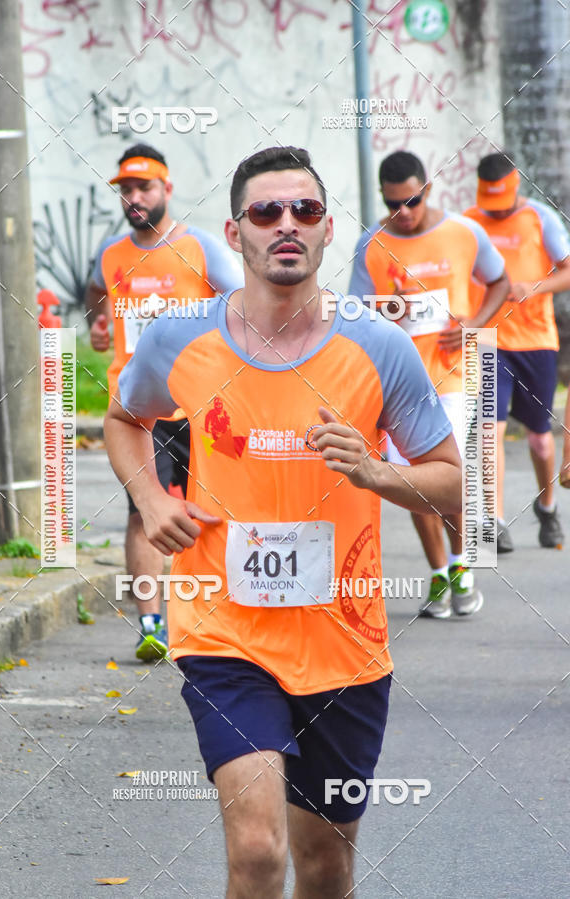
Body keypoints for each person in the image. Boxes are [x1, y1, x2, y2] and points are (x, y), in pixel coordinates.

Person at [104, 146, 462, 897]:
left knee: (325, 865)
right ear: (236, 235)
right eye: (266, 212)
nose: (286, 225)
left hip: (344, 645)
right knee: (259, 851)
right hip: (224, 633)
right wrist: (152, 498)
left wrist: (374, 471)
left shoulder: (379, 347)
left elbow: (459, 487)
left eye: (304, 210)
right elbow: (124, 419)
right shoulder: (181, 337)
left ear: (330, 229)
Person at [85, 143, 243, 661]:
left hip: (200, 406)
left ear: (167, 190)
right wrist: (99, 326)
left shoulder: (200, 249)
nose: (134, 197)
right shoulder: (111, 255)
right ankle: (151, 625)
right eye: (126, 189)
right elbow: (95, 292)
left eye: (144, 187)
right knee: (143, 513)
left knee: (212, 511)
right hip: (136, 411)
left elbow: (245, 303)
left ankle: (217, 613)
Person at [349, 150, 509, 619]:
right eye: (395, 203)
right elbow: (357, 316)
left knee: (453, 479)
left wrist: (475, 324)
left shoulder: (464, 232)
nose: (405, 212)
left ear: (429, 190)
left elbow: (499, 281)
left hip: (460, 373)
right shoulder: (371, 244)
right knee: (415, 485)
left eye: (413, 201)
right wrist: (387, 309)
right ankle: (440, 574)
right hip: (401, 383)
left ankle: (463, 568)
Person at [464, 152, 570, 552]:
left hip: (537, 342)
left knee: (540, 441)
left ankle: (547, 507)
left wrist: (533, 287)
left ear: (515, 185)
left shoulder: (540, 218)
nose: (496, 210)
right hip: (489, 341)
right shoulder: (469, 222)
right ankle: (494, 520)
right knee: (490, 430)